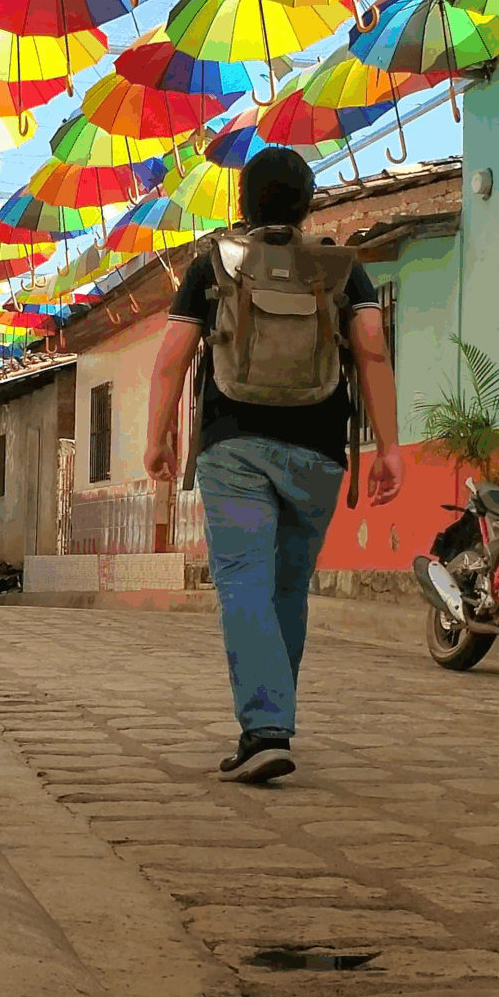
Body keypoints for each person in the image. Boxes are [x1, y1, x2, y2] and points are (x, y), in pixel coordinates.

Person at [144, 146, 403, 785]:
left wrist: (159, 437)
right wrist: (390, 447)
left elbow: (172, 357)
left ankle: (265, 728)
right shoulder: (343, 270)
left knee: (242, 580)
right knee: (287, 587)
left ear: (243, 204)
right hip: (318, 450)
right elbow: (370, 352)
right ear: (309, 203)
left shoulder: (216, 265)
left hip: (232, 443)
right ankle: (271, 722)